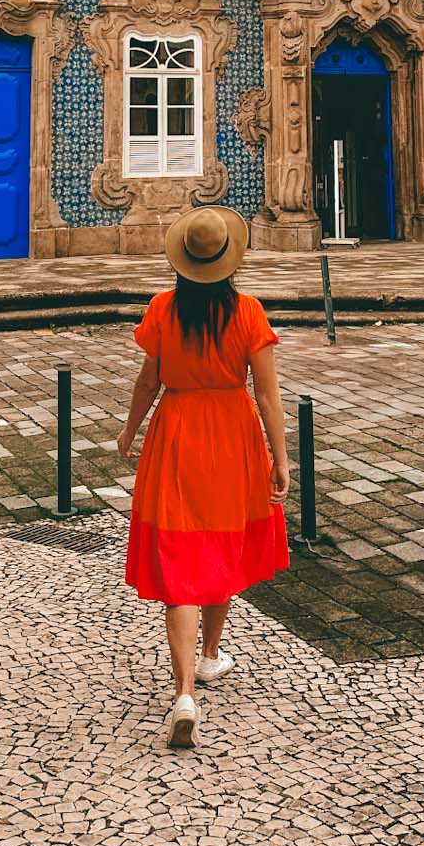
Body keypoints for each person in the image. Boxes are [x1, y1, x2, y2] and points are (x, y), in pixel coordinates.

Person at [117, 204, 291, 748]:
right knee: (222, 542)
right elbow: (268, 395)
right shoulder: (248, 312)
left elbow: (148, 383)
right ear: (228, 260)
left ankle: (186, 691)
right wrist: (281, 458)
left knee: (180, 557)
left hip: (177, 432)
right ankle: (211, 654)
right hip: (233, 435)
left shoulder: (163, 309)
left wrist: (128, 432)